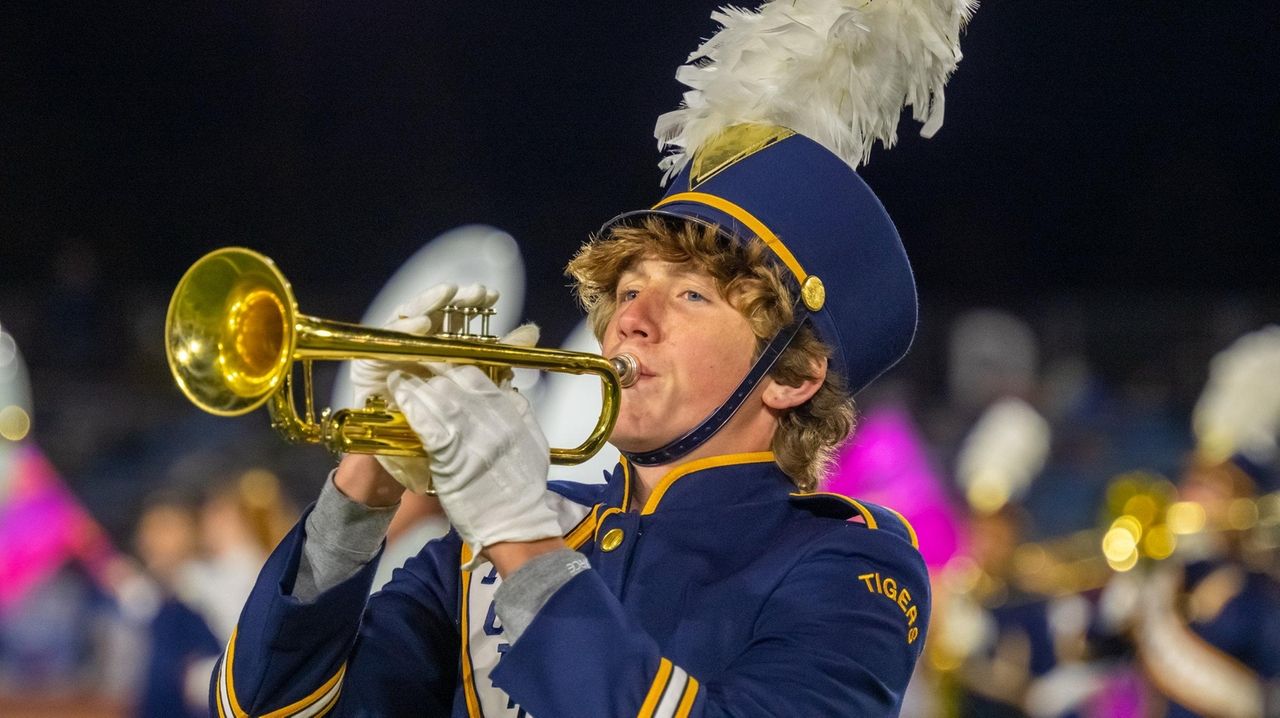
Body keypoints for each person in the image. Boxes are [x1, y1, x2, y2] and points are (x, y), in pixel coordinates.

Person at [210, 1, 974, 714]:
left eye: (691, 296)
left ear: (792, 374)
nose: (630, 321)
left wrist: (521, 537)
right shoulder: (484, 548)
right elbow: (269, 707)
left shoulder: (849, 566)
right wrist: (362, 490)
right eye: (629, 290)